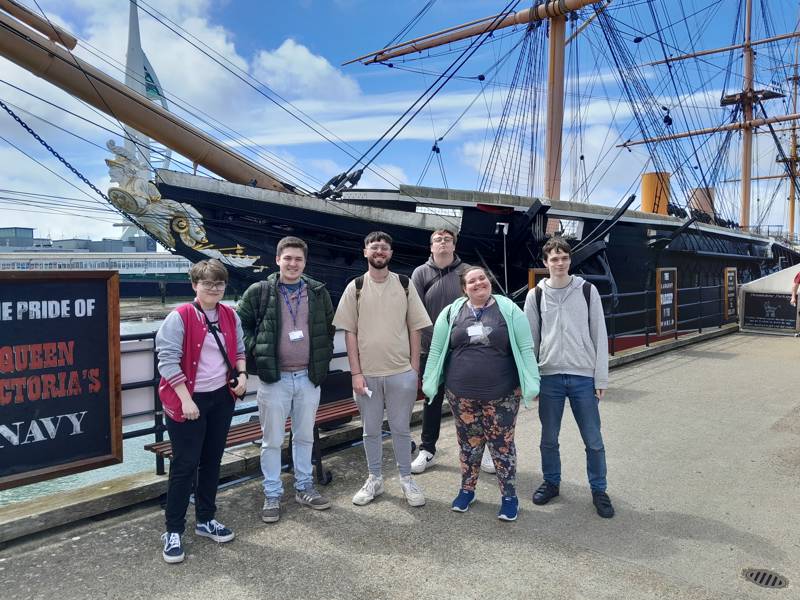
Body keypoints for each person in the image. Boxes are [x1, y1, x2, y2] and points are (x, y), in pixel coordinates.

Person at [423, 266, 539, 521]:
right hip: (461, 395)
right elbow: (436, 349)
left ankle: (509, 497)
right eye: (472, 281)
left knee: (502, 446)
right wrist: (429, 382)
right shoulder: (451, 312)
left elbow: (526, 347)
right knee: (469, 445)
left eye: (482, 278)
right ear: (464, 289)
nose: (478, 283)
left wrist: (532, 381)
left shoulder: (509, 309)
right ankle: (467, 490)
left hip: (502, 394)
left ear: (489, 281)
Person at [155, 259, 247, 564]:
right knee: (185, 464)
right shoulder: (180, 316)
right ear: (195, 285)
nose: (214, 288)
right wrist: (185, 399)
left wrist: (242, 375)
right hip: (189, 399)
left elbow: (239, 350)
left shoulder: (230, 315)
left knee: (211, 461)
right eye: (207, 283)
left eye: (219, 283)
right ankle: (173, 530)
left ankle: (206, 518)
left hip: (221, 397)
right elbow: (167, 360)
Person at [238, 236, 335, 524]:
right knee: (271, 440)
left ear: (305, 262)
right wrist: (258, 349)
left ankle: (304, 487)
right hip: (275, 378)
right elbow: (240, 324)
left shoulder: (317, 292)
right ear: (278, 259)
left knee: (304, 436)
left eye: (298, 259)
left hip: (308, 376)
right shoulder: (260, 291)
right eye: (288, 258)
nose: (293, 264)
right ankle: (272, 493)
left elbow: (328, 329)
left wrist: (322, 359)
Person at [333, 231, 432, 507]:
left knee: (401, 429)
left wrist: (414, 369)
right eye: (374, 247)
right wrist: (355, 373)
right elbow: (349, 332)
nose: (379, 251)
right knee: (370, 430)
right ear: (365, 252)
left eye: (384, 248)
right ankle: (374, 478)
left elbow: (415, 328)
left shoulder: (404, 284)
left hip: (401, 372)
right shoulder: (355, 287)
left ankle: (406, 478)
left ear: (391, 253)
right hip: (367, 375)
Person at [523, 237, 614, 518]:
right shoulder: (535, 296)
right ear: (545, 262)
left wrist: (601, 378)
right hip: (549, 376)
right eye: (554, 259)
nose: (559, 263)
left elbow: (599, 334)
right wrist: (531, 380)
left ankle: (599, 489)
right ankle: (551, 482)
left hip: (582, 376)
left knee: (593, 439)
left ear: (570, 260)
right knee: (549, 438)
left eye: (564, 258)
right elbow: (530, 341)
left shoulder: (587, 290)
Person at [410, 229, 493, 475]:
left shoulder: (466, 271)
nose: (443, 243)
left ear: (454, 246)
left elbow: (480, 306)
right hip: (431, 349)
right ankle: (427, 449)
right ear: (431, 247)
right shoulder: (420, 273)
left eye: (447, 239)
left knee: (472, 401)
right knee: (432, 399)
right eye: (438, 240)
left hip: (464, 350)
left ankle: (481, 449)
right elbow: (415, 312)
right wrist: (431, 342)